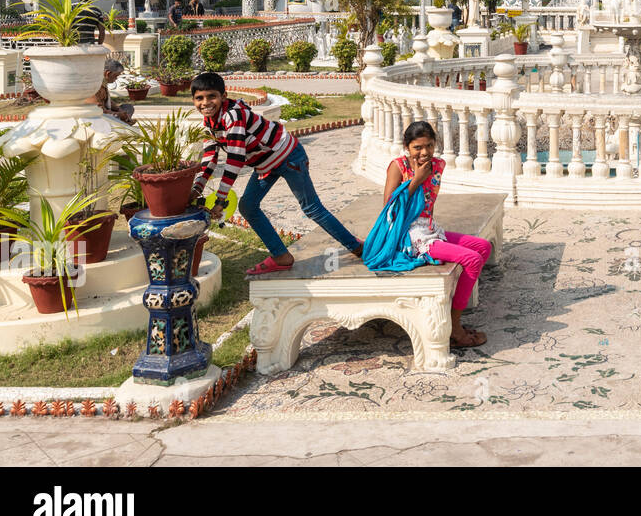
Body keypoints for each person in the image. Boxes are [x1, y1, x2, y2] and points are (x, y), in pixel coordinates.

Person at [189, 72, 364, 276]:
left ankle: (356, 247)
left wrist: (220, 199)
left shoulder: (233, 115)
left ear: (224, 96)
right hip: (266, 164)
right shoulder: (209, 123)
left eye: (212, 96)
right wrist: (196, 189)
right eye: (199, 98)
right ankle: (281, 256)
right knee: (248, 206)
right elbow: (209, 159)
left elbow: (235, 159)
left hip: (288, 156)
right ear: (193, 100)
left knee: (311, 208)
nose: (206, 102)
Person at [374, 121, 490, 348]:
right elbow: (389, 209)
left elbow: (429, 202)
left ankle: (449, 312)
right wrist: (416, 179)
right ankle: (455, 327)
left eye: (428, 145)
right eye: (417, 147)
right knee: (472, 259)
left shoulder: (438, 165)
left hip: (429, 228)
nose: (424, 152)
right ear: (407, 147)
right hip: (408, 236)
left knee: (483, 247)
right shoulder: (398, 167)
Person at [93, 59, 135, 124]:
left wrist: (119, 110)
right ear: (107, 73)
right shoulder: (95, 86)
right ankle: (124, 122)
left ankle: (125, 121)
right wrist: (118, 114)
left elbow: (109, 102)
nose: (116, 78)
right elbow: (100, 110)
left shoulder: (103, 83)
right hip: (102, 116)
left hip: (108, 112)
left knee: (128, 107)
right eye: (116, 76)